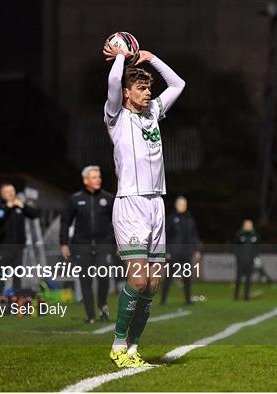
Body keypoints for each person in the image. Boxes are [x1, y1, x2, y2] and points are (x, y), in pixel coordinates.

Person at [102, 42, 185, 368]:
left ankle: (133, 349)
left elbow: (178, 84)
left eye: (149, 87)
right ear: (126, 93)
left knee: (151, 284)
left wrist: (152, 58)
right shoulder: (116, 117)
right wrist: (121, 57)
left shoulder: (154, 113)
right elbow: (112, 84)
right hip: (131, 204)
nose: (147, 93)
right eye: (140, 88)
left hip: (156, 205)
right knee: (137, 280)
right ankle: (117, 345)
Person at [59, 166, 115, 323]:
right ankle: (90, 315)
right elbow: (65, 222)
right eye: (94, 177)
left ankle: (102, 306)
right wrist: (63, 243)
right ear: (85, 180)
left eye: (99, 176)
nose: (98, 179)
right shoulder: (75, 199)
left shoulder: (108, 198)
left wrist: (118, 244)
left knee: (104, 277)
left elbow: (117, 222)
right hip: (81, 246)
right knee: (85, 280)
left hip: (103, 245)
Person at [0, 183, 40, 296]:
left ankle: (17, 302)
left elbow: (35, 214)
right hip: (4, 247)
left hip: (19, 247)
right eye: (7, 192)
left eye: (12, 191)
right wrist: (7, 208)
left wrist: (23, 205)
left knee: (17, 275)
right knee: (2, 275)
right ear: (2, 194)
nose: (11, 194)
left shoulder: (19, 206)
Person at [161, 196, 201, 305]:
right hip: (174, 252)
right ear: (176, 205)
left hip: (186, 252)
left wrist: (197, 250)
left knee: (187, 277)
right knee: (168, 277)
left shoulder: (189, 218)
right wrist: (167, 250)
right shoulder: (171, 218)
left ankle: (188, 300)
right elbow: (166, 235)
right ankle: (163, 300)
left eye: (185, 204)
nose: (183, 207)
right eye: (181, 204)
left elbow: (194, 235)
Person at [234, 219, 260, 301]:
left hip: (250, 260)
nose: (248, 226)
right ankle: (236, 296)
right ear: (244, 226)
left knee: (248, 278)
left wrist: (254, 256)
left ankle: (246, 296)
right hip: (241, 260)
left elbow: (257, 248)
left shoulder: (255, 236)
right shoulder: (239, 235)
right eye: (246, 225)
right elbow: (235, 247)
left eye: (249, 225)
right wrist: (238, 256)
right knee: (238, 278)